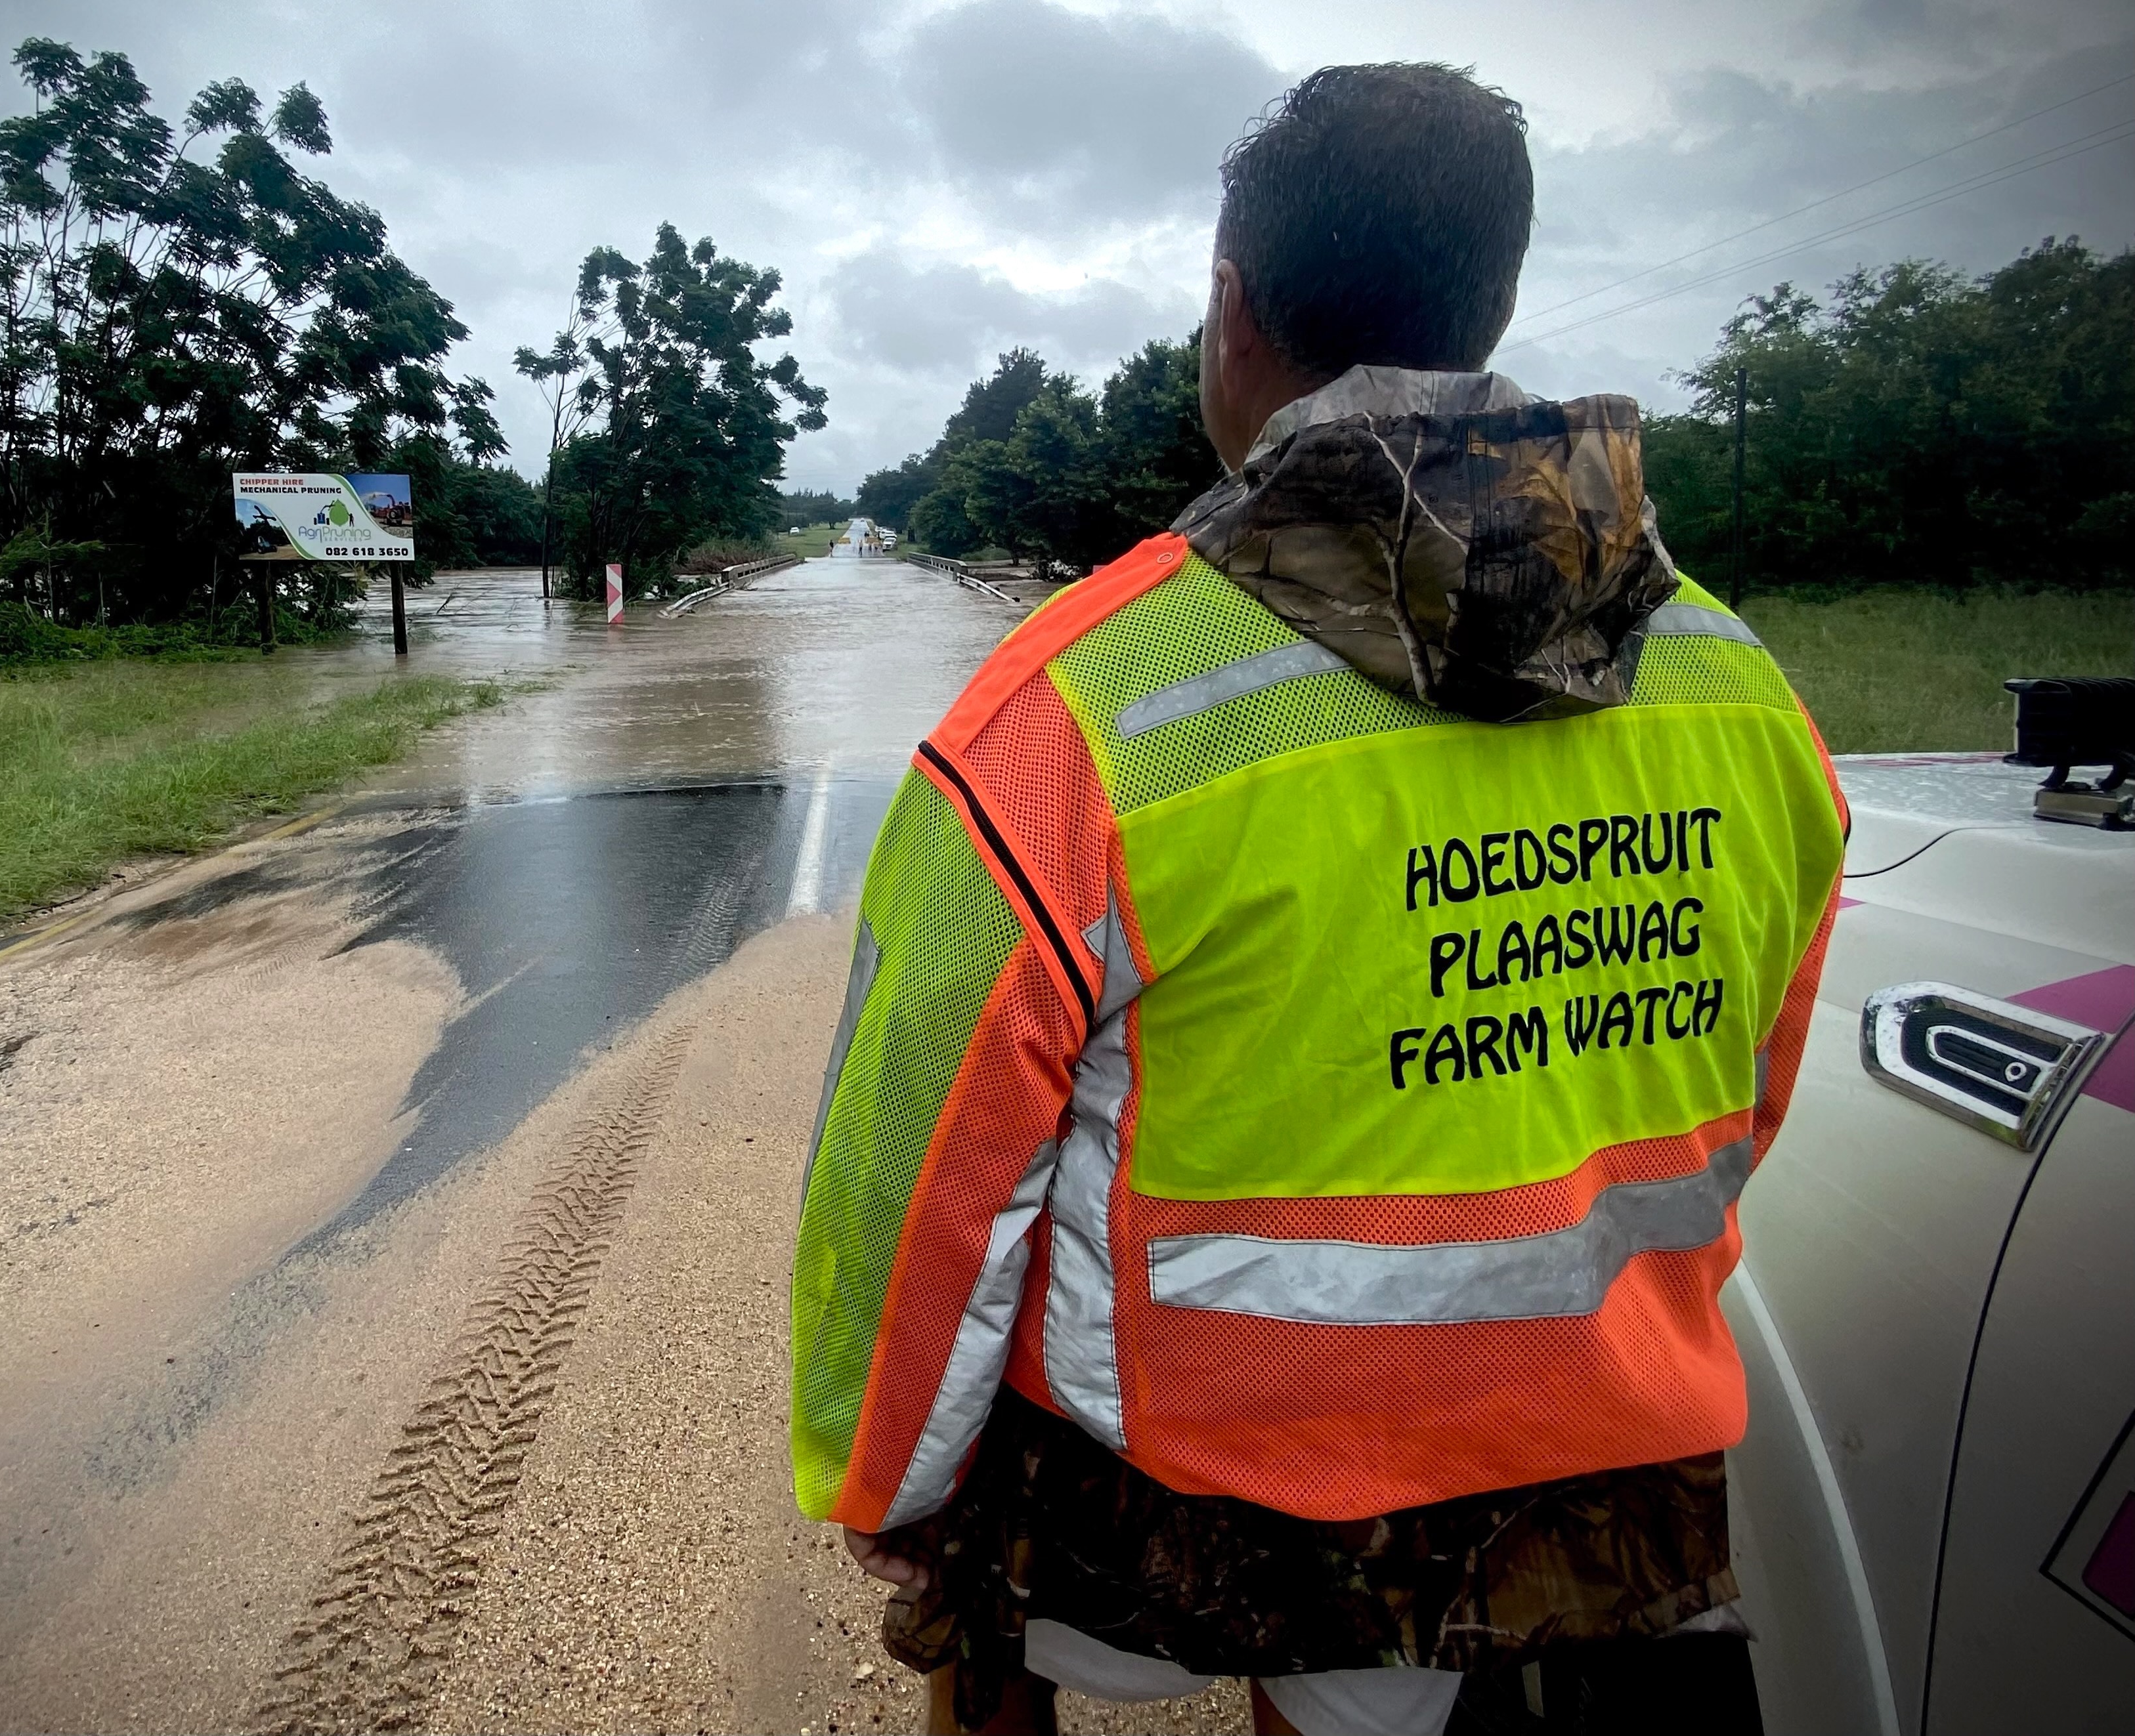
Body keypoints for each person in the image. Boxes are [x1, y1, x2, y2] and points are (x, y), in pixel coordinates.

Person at [788, 62, 1846, 1736]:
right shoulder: (1745, 691)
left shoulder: (1066, 718)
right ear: (1490, 306)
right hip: (1608, 1459)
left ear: (1229, 312)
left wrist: (877, 1485)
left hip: (1198, 1505)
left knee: (971, 1560)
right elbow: (1745, 1089)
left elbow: (920, 1179)